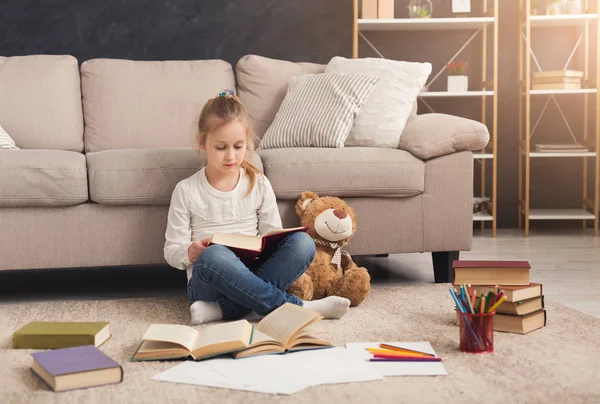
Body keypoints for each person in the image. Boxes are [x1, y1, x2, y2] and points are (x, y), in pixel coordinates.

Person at [164, 90, 351, 324]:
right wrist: (189, 252)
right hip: (209, 281)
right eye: (221, 147)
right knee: (216, 254)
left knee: (303, 243)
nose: (230, 156)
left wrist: (270, 245)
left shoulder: (259, 183)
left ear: (248, 143)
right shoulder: (186, 190)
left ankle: (222, 310)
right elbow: (171, 249)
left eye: (238, 146)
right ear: (202, 143)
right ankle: (300, 308)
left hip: (255, 274)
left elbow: (271, 234)